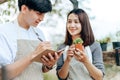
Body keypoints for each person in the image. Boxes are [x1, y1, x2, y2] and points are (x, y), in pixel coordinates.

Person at [0, 0, 62, 80]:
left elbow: (40, 69)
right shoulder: (3, 32)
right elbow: (2, 74)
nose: (42, 19)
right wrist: (33, 55)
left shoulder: (39, 33)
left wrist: (49, 65)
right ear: (24, 9)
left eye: (44, 14)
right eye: (38, 13)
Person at [56, 8, 105, 80]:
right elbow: (61, 77)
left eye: (76, 22)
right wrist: (67, 60)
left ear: (83, 24)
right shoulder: (62, 47)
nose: (72, 25)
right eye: (69, 22)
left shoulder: (94, 46)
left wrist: (85, 61)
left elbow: (99, 77)